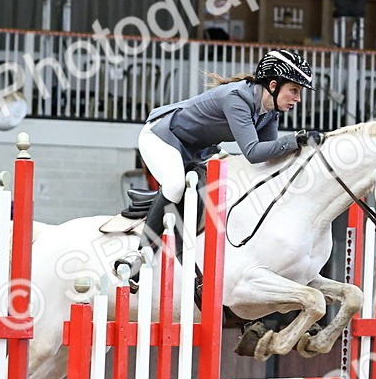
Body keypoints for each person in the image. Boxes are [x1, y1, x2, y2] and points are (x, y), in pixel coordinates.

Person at [116, 48, 323, 279]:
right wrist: (294, 140)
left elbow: (267, 159)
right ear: (273, 86)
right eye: (294, 90)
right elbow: (253, 152)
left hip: (197, 148)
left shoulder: (269, 111)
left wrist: (301, 151)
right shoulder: (237, 98)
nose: (299, 99)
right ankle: (139, 255)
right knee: (175, 185)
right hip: (162, 137)